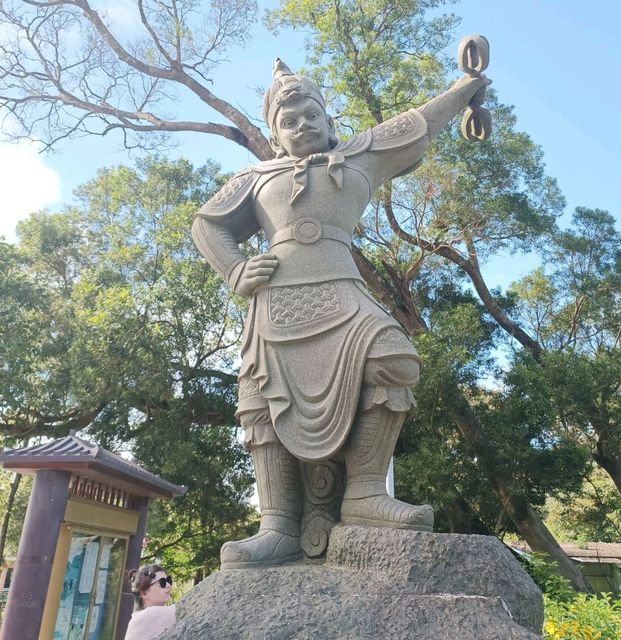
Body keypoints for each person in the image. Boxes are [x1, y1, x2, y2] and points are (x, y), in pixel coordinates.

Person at [192, 58, 491, 569]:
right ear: (274, 135)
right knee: (259, 396)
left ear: (329, 121)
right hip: (277, 300)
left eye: (311, 115)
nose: (302, 125)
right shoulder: (256, 178)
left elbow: (417, 122)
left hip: (342, 288)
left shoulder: (360, 158)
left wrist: (465, 90)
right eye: (289, 121)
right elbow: (206, 224)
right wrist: (235, 269)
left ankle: (365, 492)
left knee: (393, 358)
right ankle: (278, 524)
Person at [124, 564, 175, 640]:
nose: (168, 585)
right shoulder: (148, 615)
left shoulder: (139, 616)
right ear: (144, 594)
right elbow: (185, 609)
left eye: (168, 580)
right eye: (162, 582)